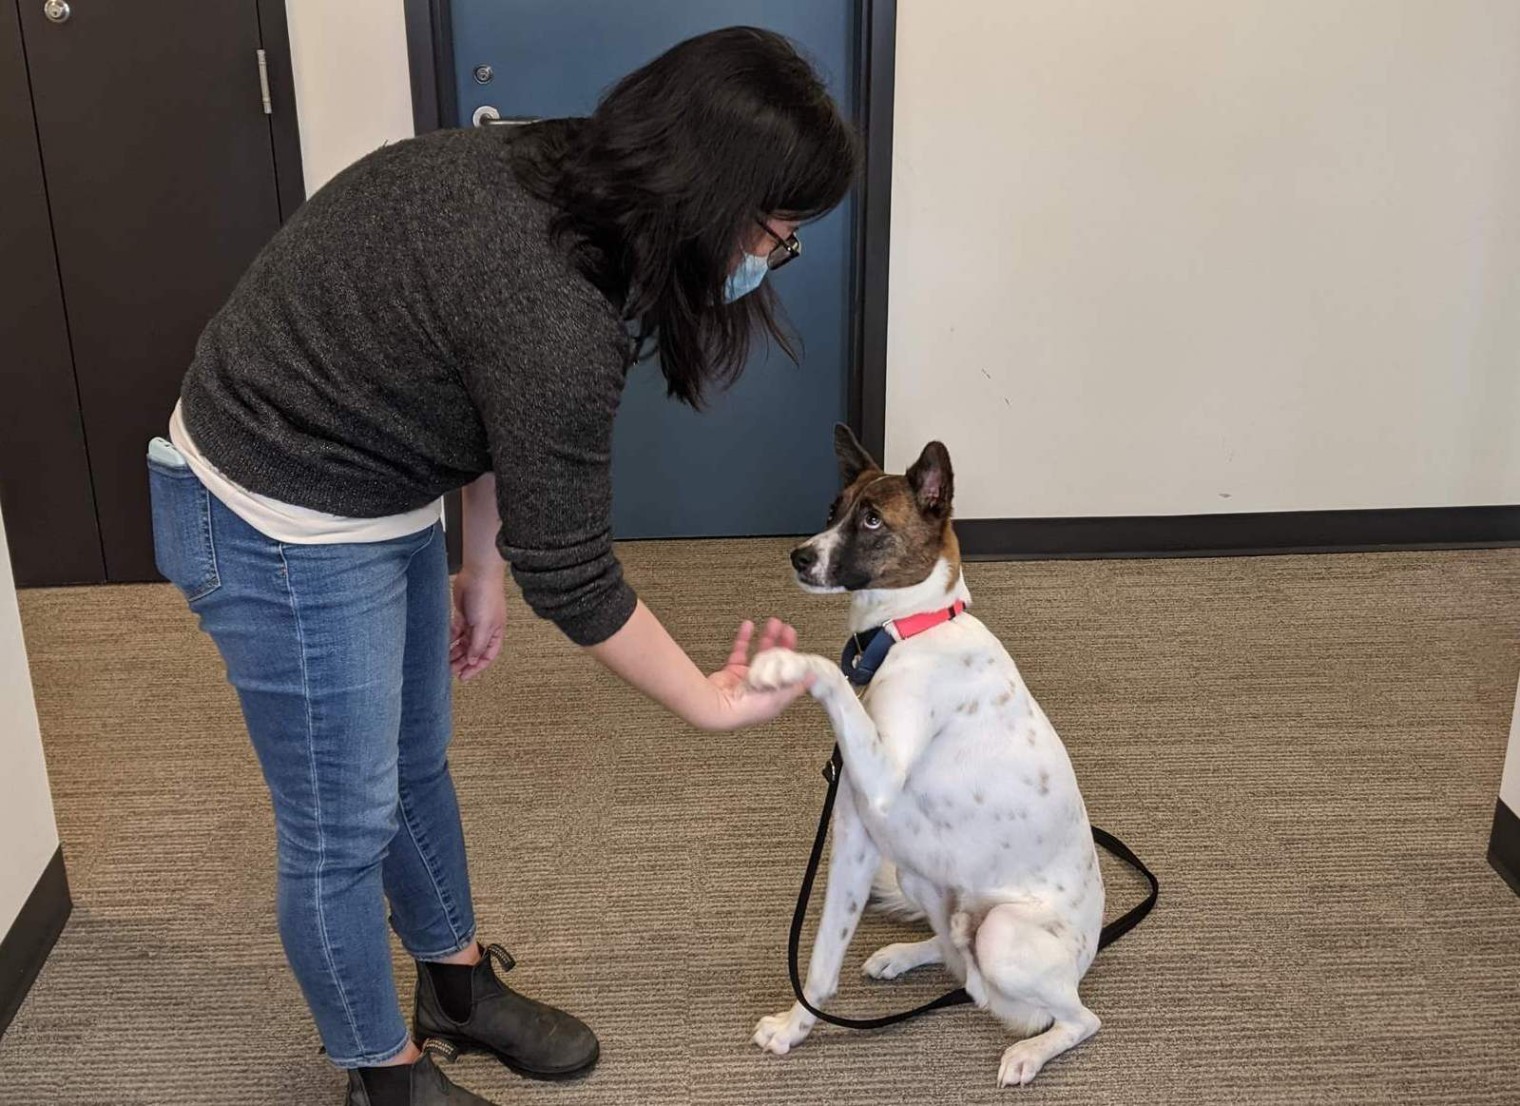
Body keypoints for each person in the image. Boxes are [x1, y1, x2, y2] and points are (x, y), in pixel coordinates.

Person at [145, 25, 860, 1106]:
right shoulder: (551, 304)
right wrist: (706, 703)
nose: (776, 253)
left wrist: (477, 562)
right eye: (778, 226)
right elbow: (569, 568)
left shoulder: (580, 183)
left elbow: (489, 409)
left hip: (370, 471)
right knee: (342, 827)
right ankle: (380, 1075)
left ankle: (455, 986)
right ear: (707, 193)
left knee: (413, 761)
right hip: (269, 507)